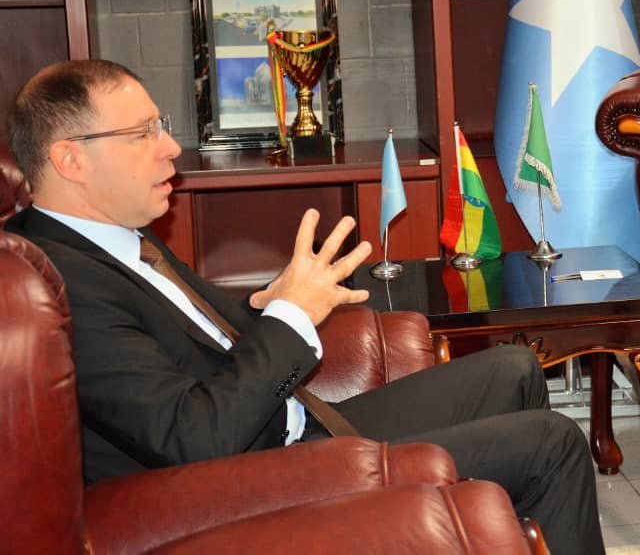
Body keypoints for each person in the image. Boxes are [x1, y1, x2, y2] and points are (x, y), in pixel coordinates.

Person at [5, 59, 604, 554]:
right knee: (552, 444)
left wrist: (268, 301)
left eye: (159, 125)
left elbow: (185, 337)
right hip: (257, 477)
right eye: (142, 134)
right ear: (70, 160)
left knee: (514, 368)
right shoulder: (53, 286)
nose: (170, 148)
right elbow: (191, 437)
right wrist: (291, 315)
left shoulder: (114, 236)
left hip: (295, 425)